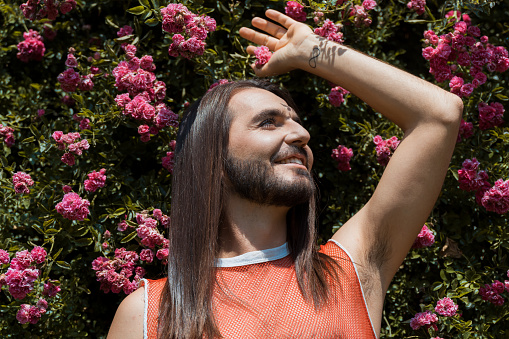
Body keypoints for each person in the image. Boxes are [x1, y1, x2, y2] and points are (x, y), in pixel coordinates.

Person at [107, 9, 463, 339]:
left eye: (297, 123)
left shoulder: (349, 273)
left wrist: (312, 50)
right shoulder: (148, 314)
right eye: (268, 123)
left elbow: (439, 114)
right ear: (213, 162)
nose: (301, 135)